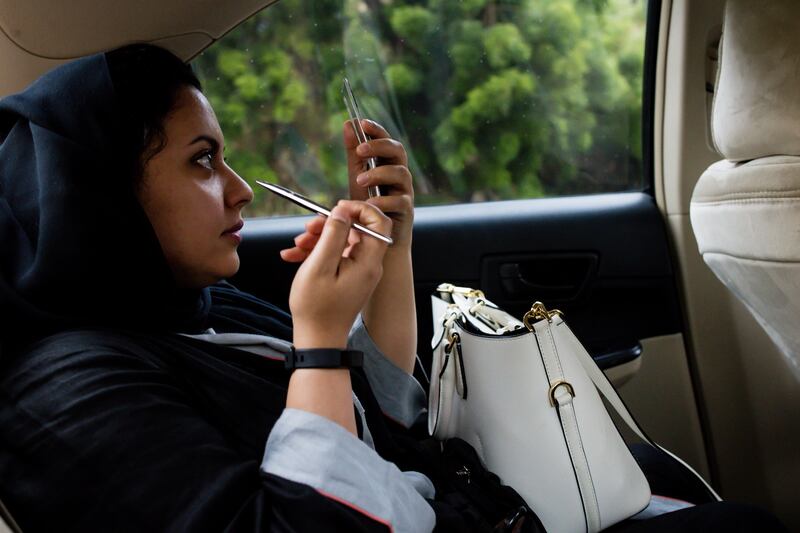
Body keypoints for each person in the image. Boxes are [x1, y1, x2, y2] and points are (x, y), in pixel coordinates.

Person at [0, 44, 788, 533]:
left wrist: (387, 251)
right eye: (203, 161)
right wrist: (314, 342)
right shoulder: (64, 394)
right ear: (100, 194)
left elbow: (383, 420)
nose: (240, 191)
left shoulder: (190, 311)